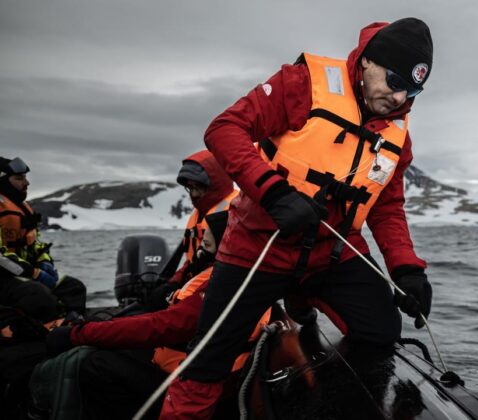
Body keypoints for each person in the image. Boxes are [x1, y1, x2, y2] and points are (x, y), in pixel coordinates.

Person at [161, 17, 435, 418]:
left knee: (381, 331)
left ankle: (325, 392)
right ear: (367, 63)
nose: (400, 97)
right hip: (259, 245)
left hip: (333, 252)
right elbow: (224, 129)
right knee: (208, 360)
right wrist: (274, 193)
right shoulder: (303, 83)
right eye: (394, 81)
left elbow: (387, 206)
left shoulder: (396, 136)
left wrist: (407, 268)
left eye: (413, 89)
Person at [38, 211, 269, 419]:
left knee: (95, 365)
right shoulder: (246, 279)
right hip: (186, 368)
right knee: (112, 346)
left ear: (226, 248)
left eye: (206, 246)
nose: (199, 253)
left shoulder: (221, 291)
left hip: (195, 389)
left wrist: (77, 334)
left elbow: (160, 326)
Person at [144, 150, 238, 311]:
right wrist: (174, 281)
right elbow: (193, 259)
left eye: (199, 188)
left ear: (215, 184)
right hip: (194, 284)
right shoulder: (199, 213)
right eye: (190, 188)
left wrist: (178, 294)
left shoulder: (235, 210)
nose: (194, 194)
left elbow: (228, 269)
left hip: (218, 294)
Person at [0, 157, 57, 289]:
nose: (27, 183)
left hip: (22, 274)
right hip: (5, 277)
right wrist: (34, 273)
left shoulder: (22, 207)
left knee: (73, 287)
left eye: (25, 177)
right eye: (19, 178)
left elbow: (34, 243)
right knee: (39, 296)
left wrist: (45, 261)